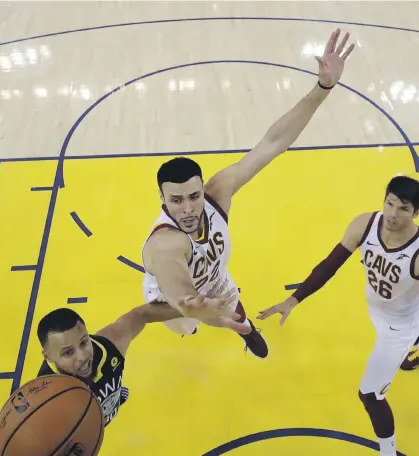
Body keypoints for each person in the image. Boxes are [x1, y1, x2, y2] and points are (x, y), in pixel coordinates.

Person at [140, 28, 356, 359]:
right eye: (176, 200)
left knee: (236, 312)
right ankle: (215, 323)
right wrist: (197, 307)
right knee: (190, 325)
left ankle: (246, 330)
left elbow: (272, 144)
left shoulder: (217, 193)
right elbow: (177, 287)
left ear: (202, 190)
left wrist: (323, 88)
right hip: (169, 303)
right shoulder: (164, 244)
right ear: (163, 200)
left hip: (214, 276)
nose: (187, 209)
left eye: (193, 197)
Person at [258, 176, 419, 456]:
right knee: (394, 337)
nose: (393, 214)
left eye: (404, 209)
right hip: (380, 311)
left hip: (402, 324)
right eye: (390, 203)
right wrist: (292, 300)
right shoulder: (365, 225)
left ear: (417, 212)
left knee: (370, 394)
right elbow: (329, 265)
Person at [36, 295, 246, 456]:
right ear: (48, 356)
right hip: (73, 447)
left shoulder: (110, 346)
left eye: (84, 342)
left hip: (97, 417)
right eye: (67, 353)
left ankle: (111, 399)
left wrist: (192, 310)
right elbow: (36, 451)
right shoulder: (45, 400)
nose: (82, 357)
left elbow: (141, 314)